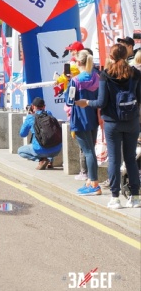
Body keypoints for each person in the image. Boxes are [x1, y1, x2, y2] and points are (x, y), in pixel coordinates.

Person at [76, 44, 141, 209]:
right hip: (132, 122)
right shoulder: (135, 73)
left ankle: (115, 198)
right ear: (126, 55)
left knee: (114, 160)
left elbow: (101, 102)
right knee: (131, 159)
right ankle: (135, 197)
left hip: (112, 123)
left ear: (111, 57)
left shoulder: (106, 75)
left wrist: (86, 102)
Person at [65, 50, 100, 195]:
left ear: (78, 62)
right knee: (91, 151)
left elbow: (69, 100)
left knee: (88, 152)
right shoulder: (97, 77)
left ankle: (94, 183)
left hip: (80, 118)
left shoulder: (75, 80)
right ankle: (90, 181)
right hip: (94, 117)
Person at [18, 97, 62, 170]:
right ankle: (50, 161)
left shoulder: (30, 117)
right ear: (44, 106)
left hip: (39, 150)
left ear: (33, 107)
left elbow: (22, 134)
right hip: (56, 150)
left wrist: (29, 116)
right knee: (49, 139)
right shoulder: (49, 114)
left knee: (20, 151)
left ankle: (42, 160)